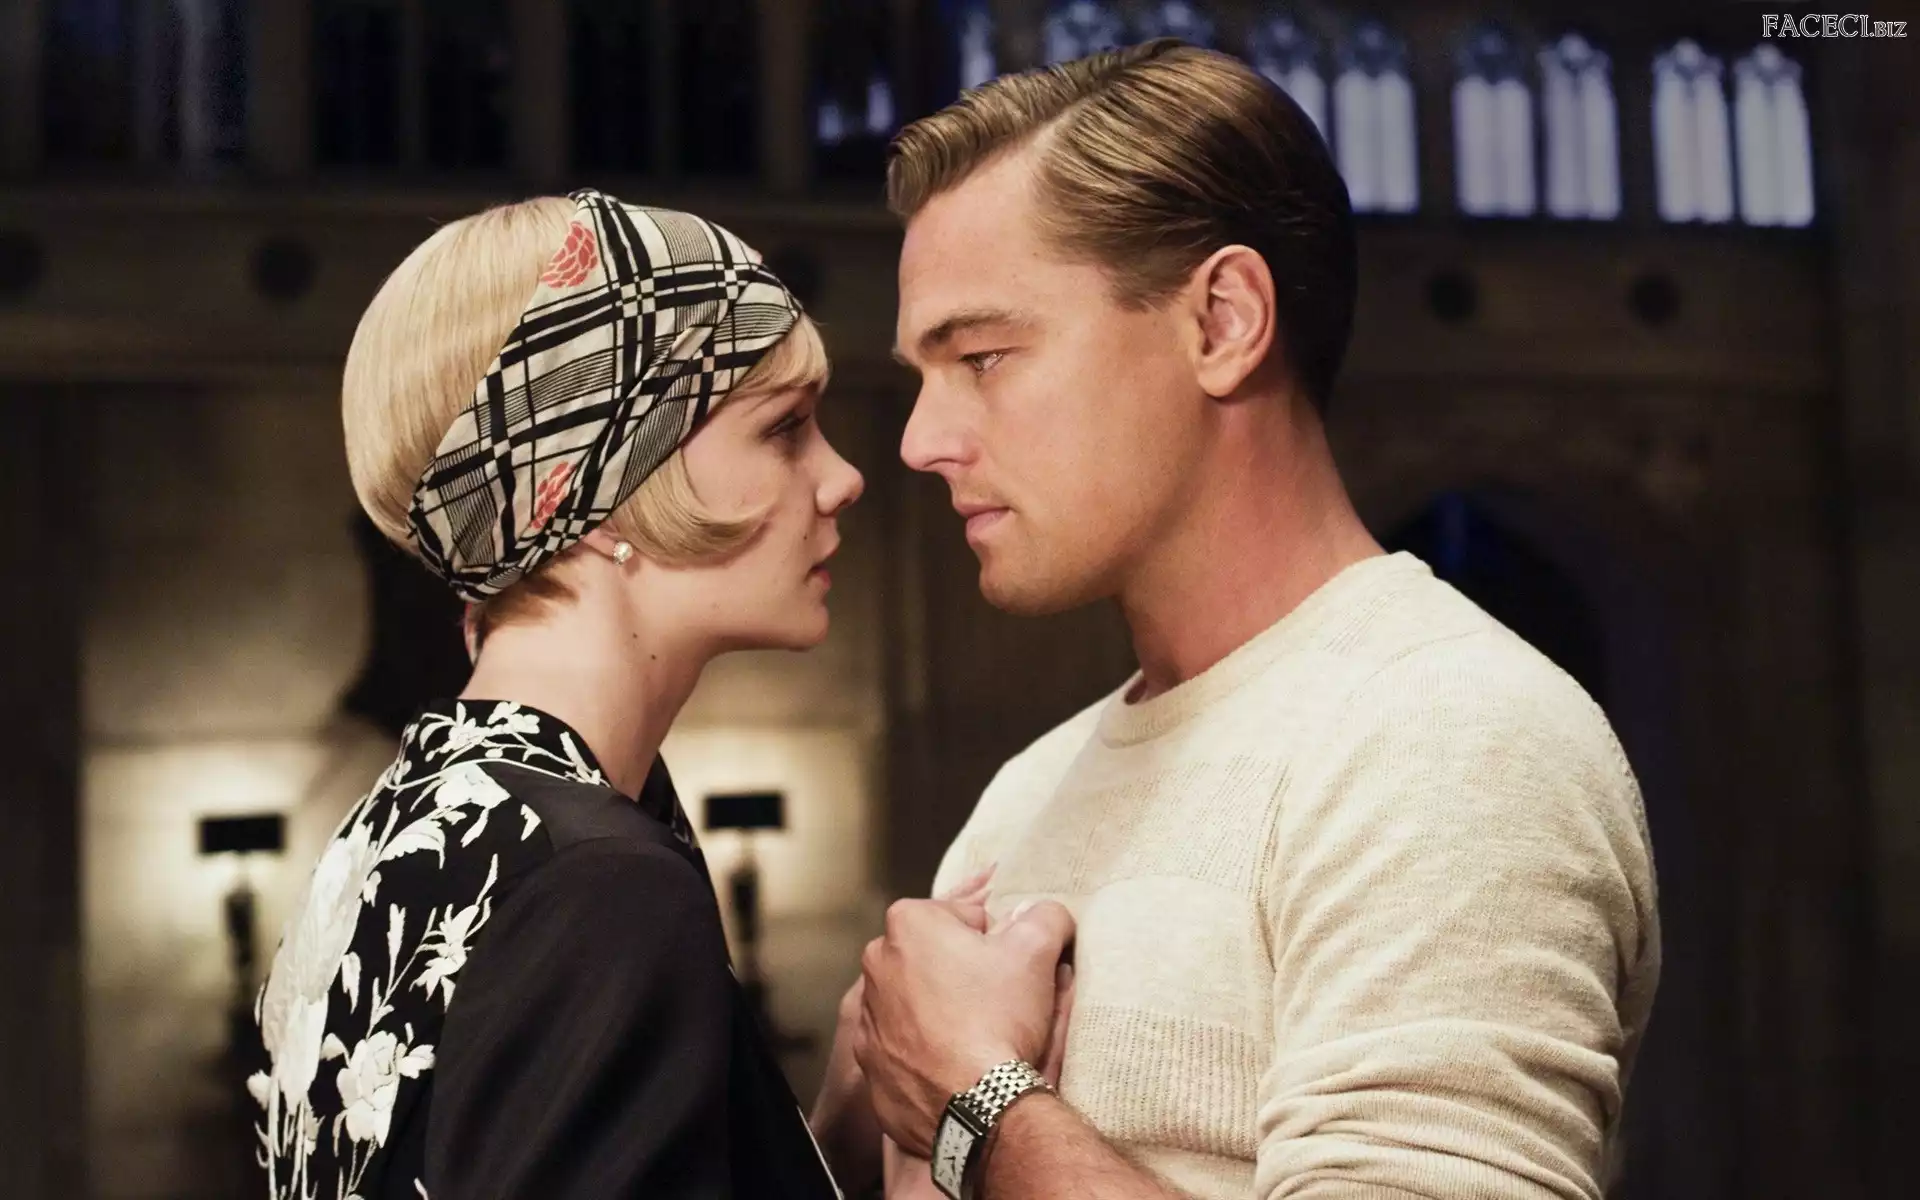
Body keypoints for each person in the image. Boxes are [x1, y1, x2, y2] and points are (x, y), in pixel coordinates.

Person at [850, 41, 1661, 1200]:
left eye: (982, 357)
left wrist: (974, 1100)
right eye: (922, 375)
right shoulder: (1027, 792)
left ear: (1223, 322)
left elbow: (964, 1105)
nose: (921, 441)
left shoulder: (1453, 735)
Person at [249, 189, 873, 1198]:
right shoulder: (598, 885)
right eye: (785, 428)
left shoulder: (409, 822)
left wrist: (835, 1134)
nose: (843, 477)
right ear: (594, 488)